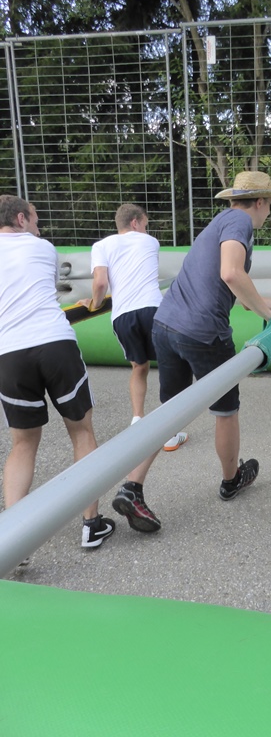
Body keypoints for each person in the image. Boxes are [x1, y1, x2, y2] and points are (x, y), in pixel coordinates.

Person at [110, 171, 271, 533]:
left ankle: (132, 487)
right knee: (226, 410)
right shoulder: (240, 222)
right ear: (261, 202)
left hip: (166, 324)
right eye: (270, 206)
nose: (269, 213)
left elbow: (242, 294)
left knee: (169, 413)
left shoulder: (220, 222)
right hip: (203, 332)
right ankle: (231, 480)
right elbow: (232, 274)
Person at [0, 195, 114, 554]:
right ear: (21, 219)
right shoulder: (43, 248)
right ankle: (91, 525)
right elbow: (42, 294)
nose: (38, 227)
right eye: (34, 219)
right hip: (54, 343)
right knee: (81, 431)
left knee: (23, 444)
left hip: (8, 352)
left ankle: (13, 543)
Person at [88, 203, 187, 451]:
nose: (146, 229)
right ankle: (170, 432)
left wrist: (93, 304)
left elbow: (100, 283)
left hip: (123, 315)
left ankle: (137, 420)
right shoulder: (150, 242)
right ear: (135, 222)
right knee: (169, 366)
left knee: (139, 367)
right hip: (153, 309)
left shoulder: (100, 246)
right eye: (144, 224)